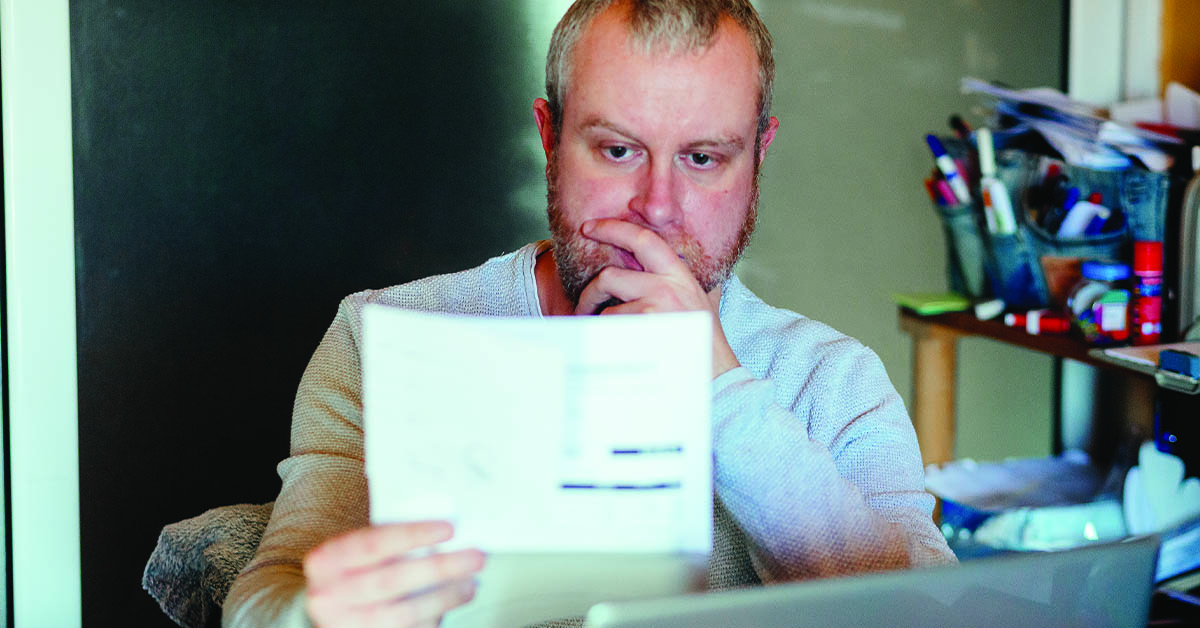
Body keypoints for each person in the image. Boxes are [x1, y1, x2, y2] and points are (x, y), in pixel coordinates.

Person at [224, 1, 956, 626]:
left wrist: (722, 392)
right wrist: (311, 616)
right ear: (550, 136)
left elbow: (925, 612)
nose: (658, 208)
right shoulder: (385, 336)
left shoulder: (832, 381)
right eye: (616, 150)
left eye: (703, 158)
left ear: (758, 156)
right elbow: (268, 592)